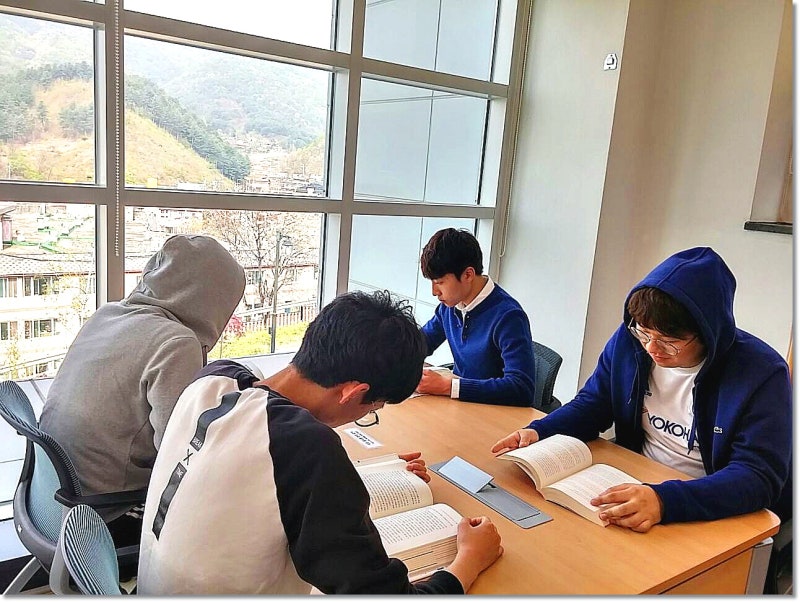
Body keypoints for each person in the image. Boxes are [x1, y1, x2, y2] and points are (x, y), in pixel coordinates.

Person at [137, 290, 503, 595]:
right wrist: (468, 561)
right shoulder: (308, 448)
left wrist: (375, 472)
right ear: (352, 393)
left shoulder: (215, 380)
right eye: (370, 409)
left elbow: (259, 473)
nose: (362, 417)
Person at [491, 247, 792, 532]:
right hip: (637, 479)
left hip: (705, 501)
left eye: (669, 341)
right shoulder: (630, 340)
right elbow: (594, 403)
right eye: (645, 333)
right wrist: (539, 431)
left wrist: (665, 501)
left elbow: (757, 476)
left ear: (708, 333)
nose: (652, 348)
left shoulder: (761, 373)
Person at [40, 235, 245, 533]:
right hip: (106, 509)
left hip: (55, 494)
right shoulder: (176, 343)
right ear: (214, 298)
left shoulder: (107, 314)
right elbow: (176, 454)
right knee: (234, 512)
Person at [416, 228, 535, 406]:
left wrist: (448, 387)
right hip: (461, 407)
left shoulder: (508, 317)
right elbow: (419, 344)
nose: (434, 292)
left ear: (468, 275)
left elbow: (521, 388)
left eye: (440, 282)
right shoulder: (449, 307)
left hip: (495, 413)